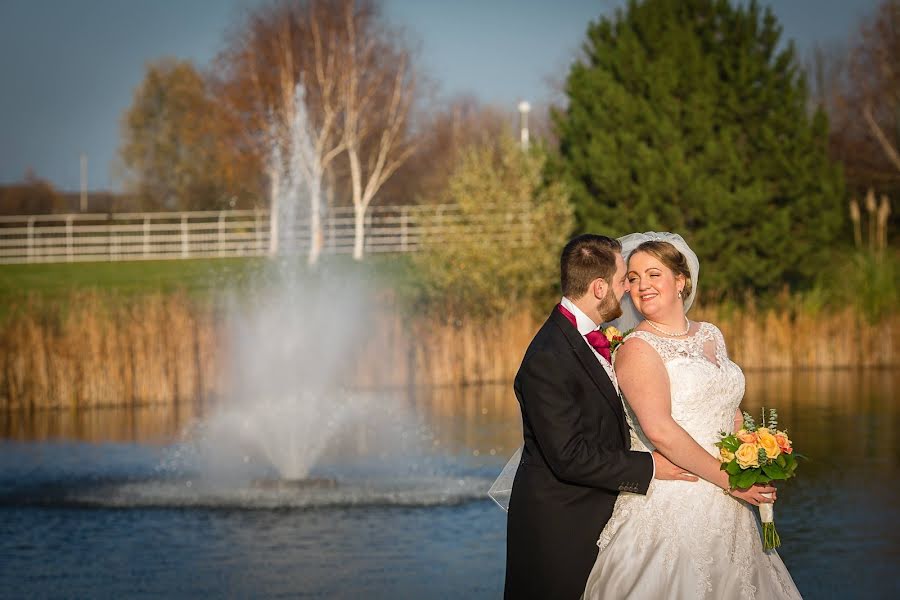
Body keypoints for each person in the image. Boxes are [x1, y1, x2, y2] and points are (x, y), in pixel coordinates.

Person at [582, 232, 802, 598]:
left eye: (654, 274)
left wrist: (754, 454)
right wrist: (732, 481)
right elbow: (661, 431)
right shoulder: (637, 348)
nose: (642, 286)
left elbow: (727, 407)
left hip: (729, 504)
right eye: (633, 278)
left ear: (681, 280)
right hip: (674, 502)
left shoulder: (711, 334)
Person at [503, 234, 696, 600]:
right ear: (598, 287)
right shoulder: (548, 356)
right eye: (624, 279)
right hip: (561, 530)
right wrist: (650, 466)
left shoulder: (592, 337)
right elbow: (569, 456)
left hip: (606, 517)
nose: (628, 290)